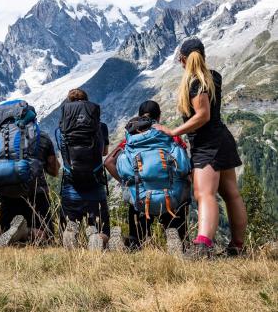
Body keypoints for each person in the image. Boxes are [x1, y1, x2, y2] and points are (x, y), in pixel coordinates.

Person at [153, 37, 247, 259]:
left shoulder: (195, 82)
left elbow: (202, 115)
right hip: (222, 139)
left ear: (183, 60)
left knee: (204, 193)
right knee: (230, 193)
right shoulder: (214, 77)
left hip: (207, 144)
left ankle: (203, 246)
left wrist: (174, 131)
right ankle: (237, 246)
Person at [105, 100, 190, 253]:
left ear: (139, 117)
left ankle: (134, 242)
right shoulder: (171, 136)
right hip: (171, 197)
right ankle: (178, 240)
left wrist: (127, 183)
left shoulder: (130, 140)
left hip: (141, 197)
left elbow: (109, 162)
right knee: (180, 234)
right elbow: (185, 166)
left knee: (137, 239)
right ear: (159, 116)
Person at [0, 100, 60, 247]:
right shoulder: (41, 137)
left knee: (7, 230)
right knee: (47, 237)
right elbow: (54, 171)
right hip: (36, 195)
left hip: (7, 194)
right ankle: (24, 232)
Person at [56, 89, 110, 250]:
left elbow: (62, 151)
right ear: (88, 105)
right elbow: (105, 152)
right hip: (95, 183)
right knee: (102, 227)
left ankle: (70, 232)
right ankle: (96, 237)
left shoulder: (61, 130)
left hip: (71, 185)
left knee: (70, 221)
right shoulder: (101, 127)